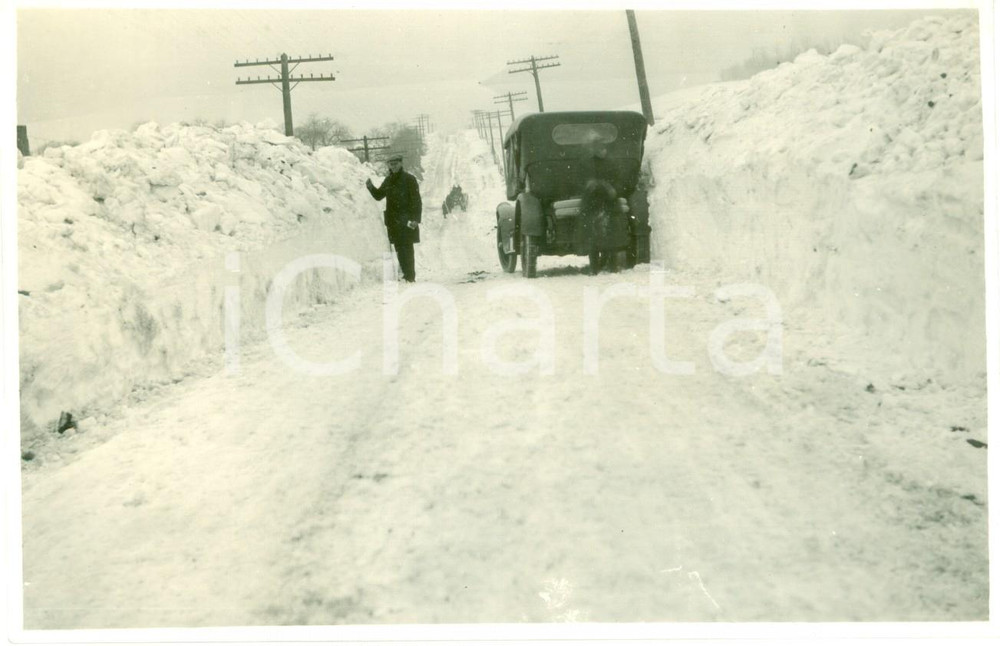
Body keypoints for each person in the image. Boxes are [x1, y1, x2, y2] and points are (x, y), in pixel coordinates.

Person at [365, 153, 422, 282]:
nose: (393, 166)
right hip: (394, 221)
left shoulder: (409, 179)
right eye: (391, 164)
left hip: (407, 220)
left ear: (400, 164)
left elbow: (417, 201)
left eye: (395, 164)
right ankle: (405, 274)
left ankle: (410, 276)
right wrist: (370, 186)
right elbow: (379, 195)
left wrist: (415, 219)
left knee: (407, 248)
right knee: (398, 248)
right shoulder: (388, 180)